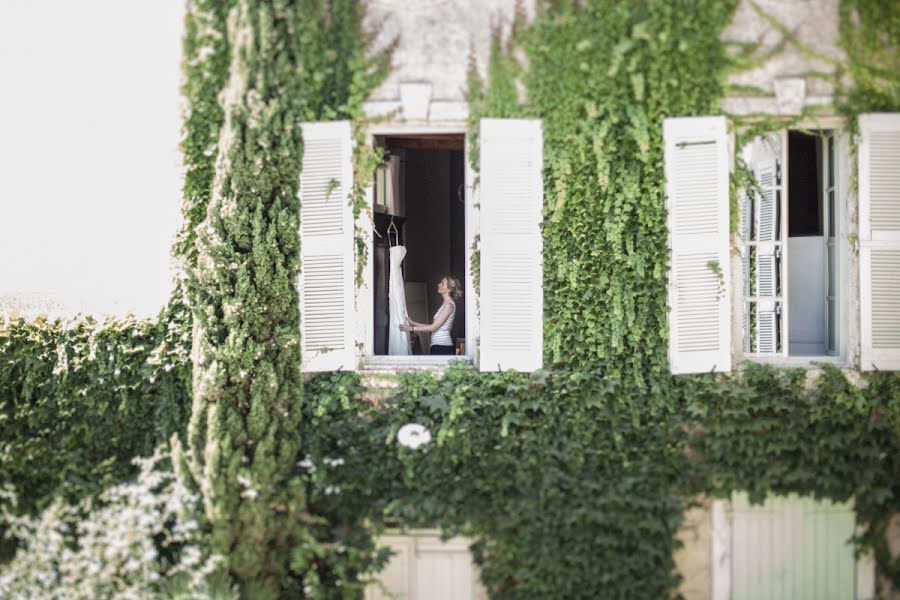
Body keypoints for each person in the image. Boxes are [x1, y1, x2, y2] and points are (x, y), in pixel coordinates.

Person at [400, 275, 462, 355]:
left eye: (442, 283)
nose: (438, 284)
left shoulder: (449, 305)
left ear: (448, 289)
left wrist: (411, 329)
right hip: (438, 346)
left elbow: (433, 328)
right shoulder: (445, 304)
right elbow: (433, 326)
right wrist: (413, 323)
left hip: (442, 347)